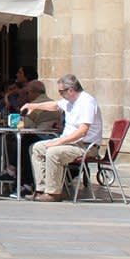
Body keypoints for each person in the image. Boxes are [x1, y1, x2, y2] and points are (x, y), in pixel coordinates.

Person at [24, 73, 104, 202]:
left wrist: (59, 142)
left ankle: (53, 193)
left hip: (85, 146)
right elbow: (55, 105)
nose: (60, 94)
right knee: (36, 148)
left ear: (71, 90)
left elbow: (82, 131)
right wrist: (34, 106)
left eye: (61, 92)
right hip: (70, 143)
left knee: (53, 152)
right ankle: (42, 188)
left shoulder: (87, 102)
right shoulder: (69, 101)